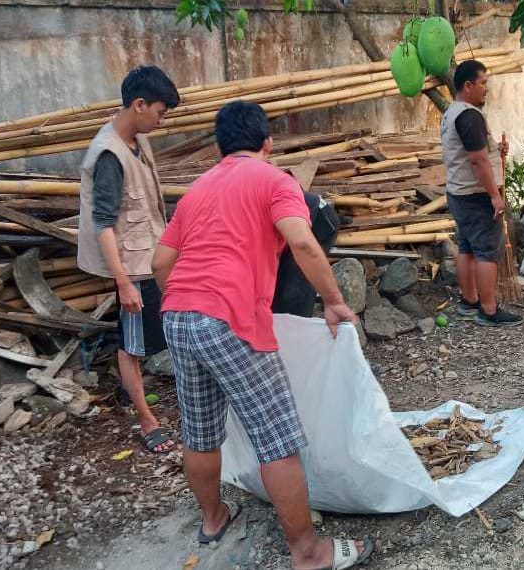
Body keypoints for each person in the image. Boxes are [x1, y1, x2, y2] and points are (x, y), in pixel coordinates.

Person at [150, 101, 373, 570]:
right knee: (276, 439)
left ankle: (213, 519)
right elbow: (303, 240)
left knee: (200, 431)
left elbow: (159, 265)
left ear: (218, 147)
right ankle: (309, 552)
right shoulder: (275, 180)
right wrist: (335, 301)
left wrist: (191, 303)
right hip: (229, 320)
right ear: (267, 143)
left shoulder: (196, 190)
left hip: (176, 317)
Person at [77, 65, 179, 454]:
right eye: (159, 111)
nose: (161, 119)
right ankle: (146, 420)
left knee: (153, 334)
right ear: (139, 104)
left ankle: (140, 399)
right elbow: (103, 222)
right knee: (132, 345)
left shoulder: (137, 138)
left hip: (152, 255)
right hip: (132, 267)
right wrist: (122, 283)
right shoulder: (108, 154)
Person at [440, 59, 522, 327]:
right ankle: (488, 309)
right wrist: (495, 196)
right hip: (475, 194)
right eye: (483, 83)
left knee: (467, 247)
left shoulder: (452, 113)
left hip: (458, 192)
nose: (486, 88)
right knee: (487, 250)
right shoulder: (469, 115)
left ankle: (470, 300)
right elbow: (477, 160)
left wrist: (496, 150)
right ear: (468, 85)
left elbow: (476, 153)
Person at [272, 192, 341, 317]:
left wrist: (334, 302)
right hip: (287, 220)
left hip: (316, 218)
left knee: (292, 291)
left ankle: (294, 328)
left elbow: (304, 246)